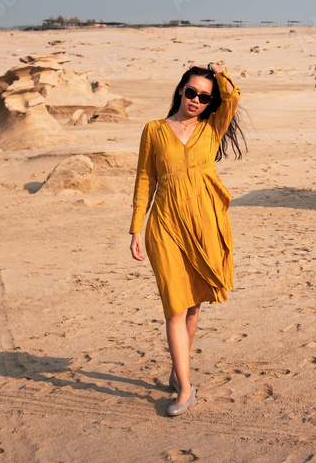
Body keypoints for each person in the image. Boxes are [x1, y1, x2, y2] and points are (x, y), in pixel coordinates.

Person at [129, 62, 246, 417]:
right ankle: (185, 388)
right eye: (191, 91)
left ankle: (178, 369)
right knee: (175, 306)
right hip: (164, 224)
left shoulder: (214, 126)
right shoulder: (153, 130)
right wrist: (136, 228)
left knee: (194, 306)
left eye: (203, 97)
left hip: (205, 223)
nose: (195, 100)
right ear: (181, 89)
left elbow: (233, 97)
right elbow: (144, 180)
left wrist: (220, 74)